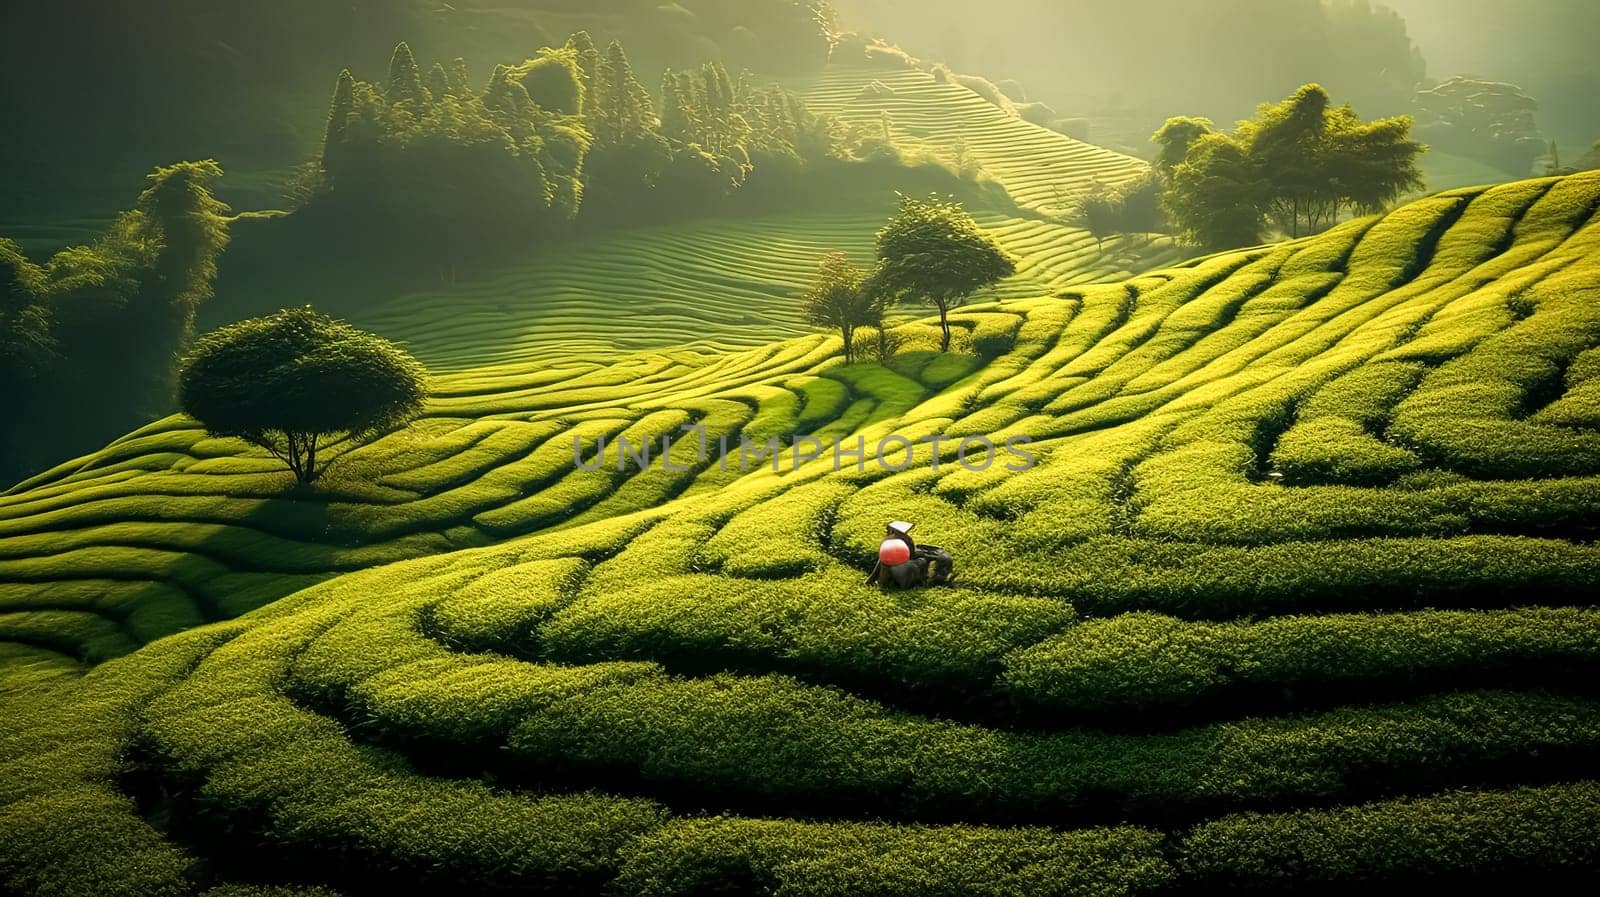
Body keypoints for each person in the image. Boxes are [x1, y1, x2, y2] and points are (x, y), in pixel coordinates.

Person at [866, 520, 955, 588]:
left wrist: (871, 579)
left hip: (891, 567)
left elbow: (882, 559)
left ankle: (881, 583)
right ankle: (924, 582)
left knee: (885, 564)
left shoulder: (888, 540)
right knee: (922, 561)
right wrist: (928, 556)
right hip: (902, 568)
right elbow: (911, 555)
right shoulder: (905, 540)